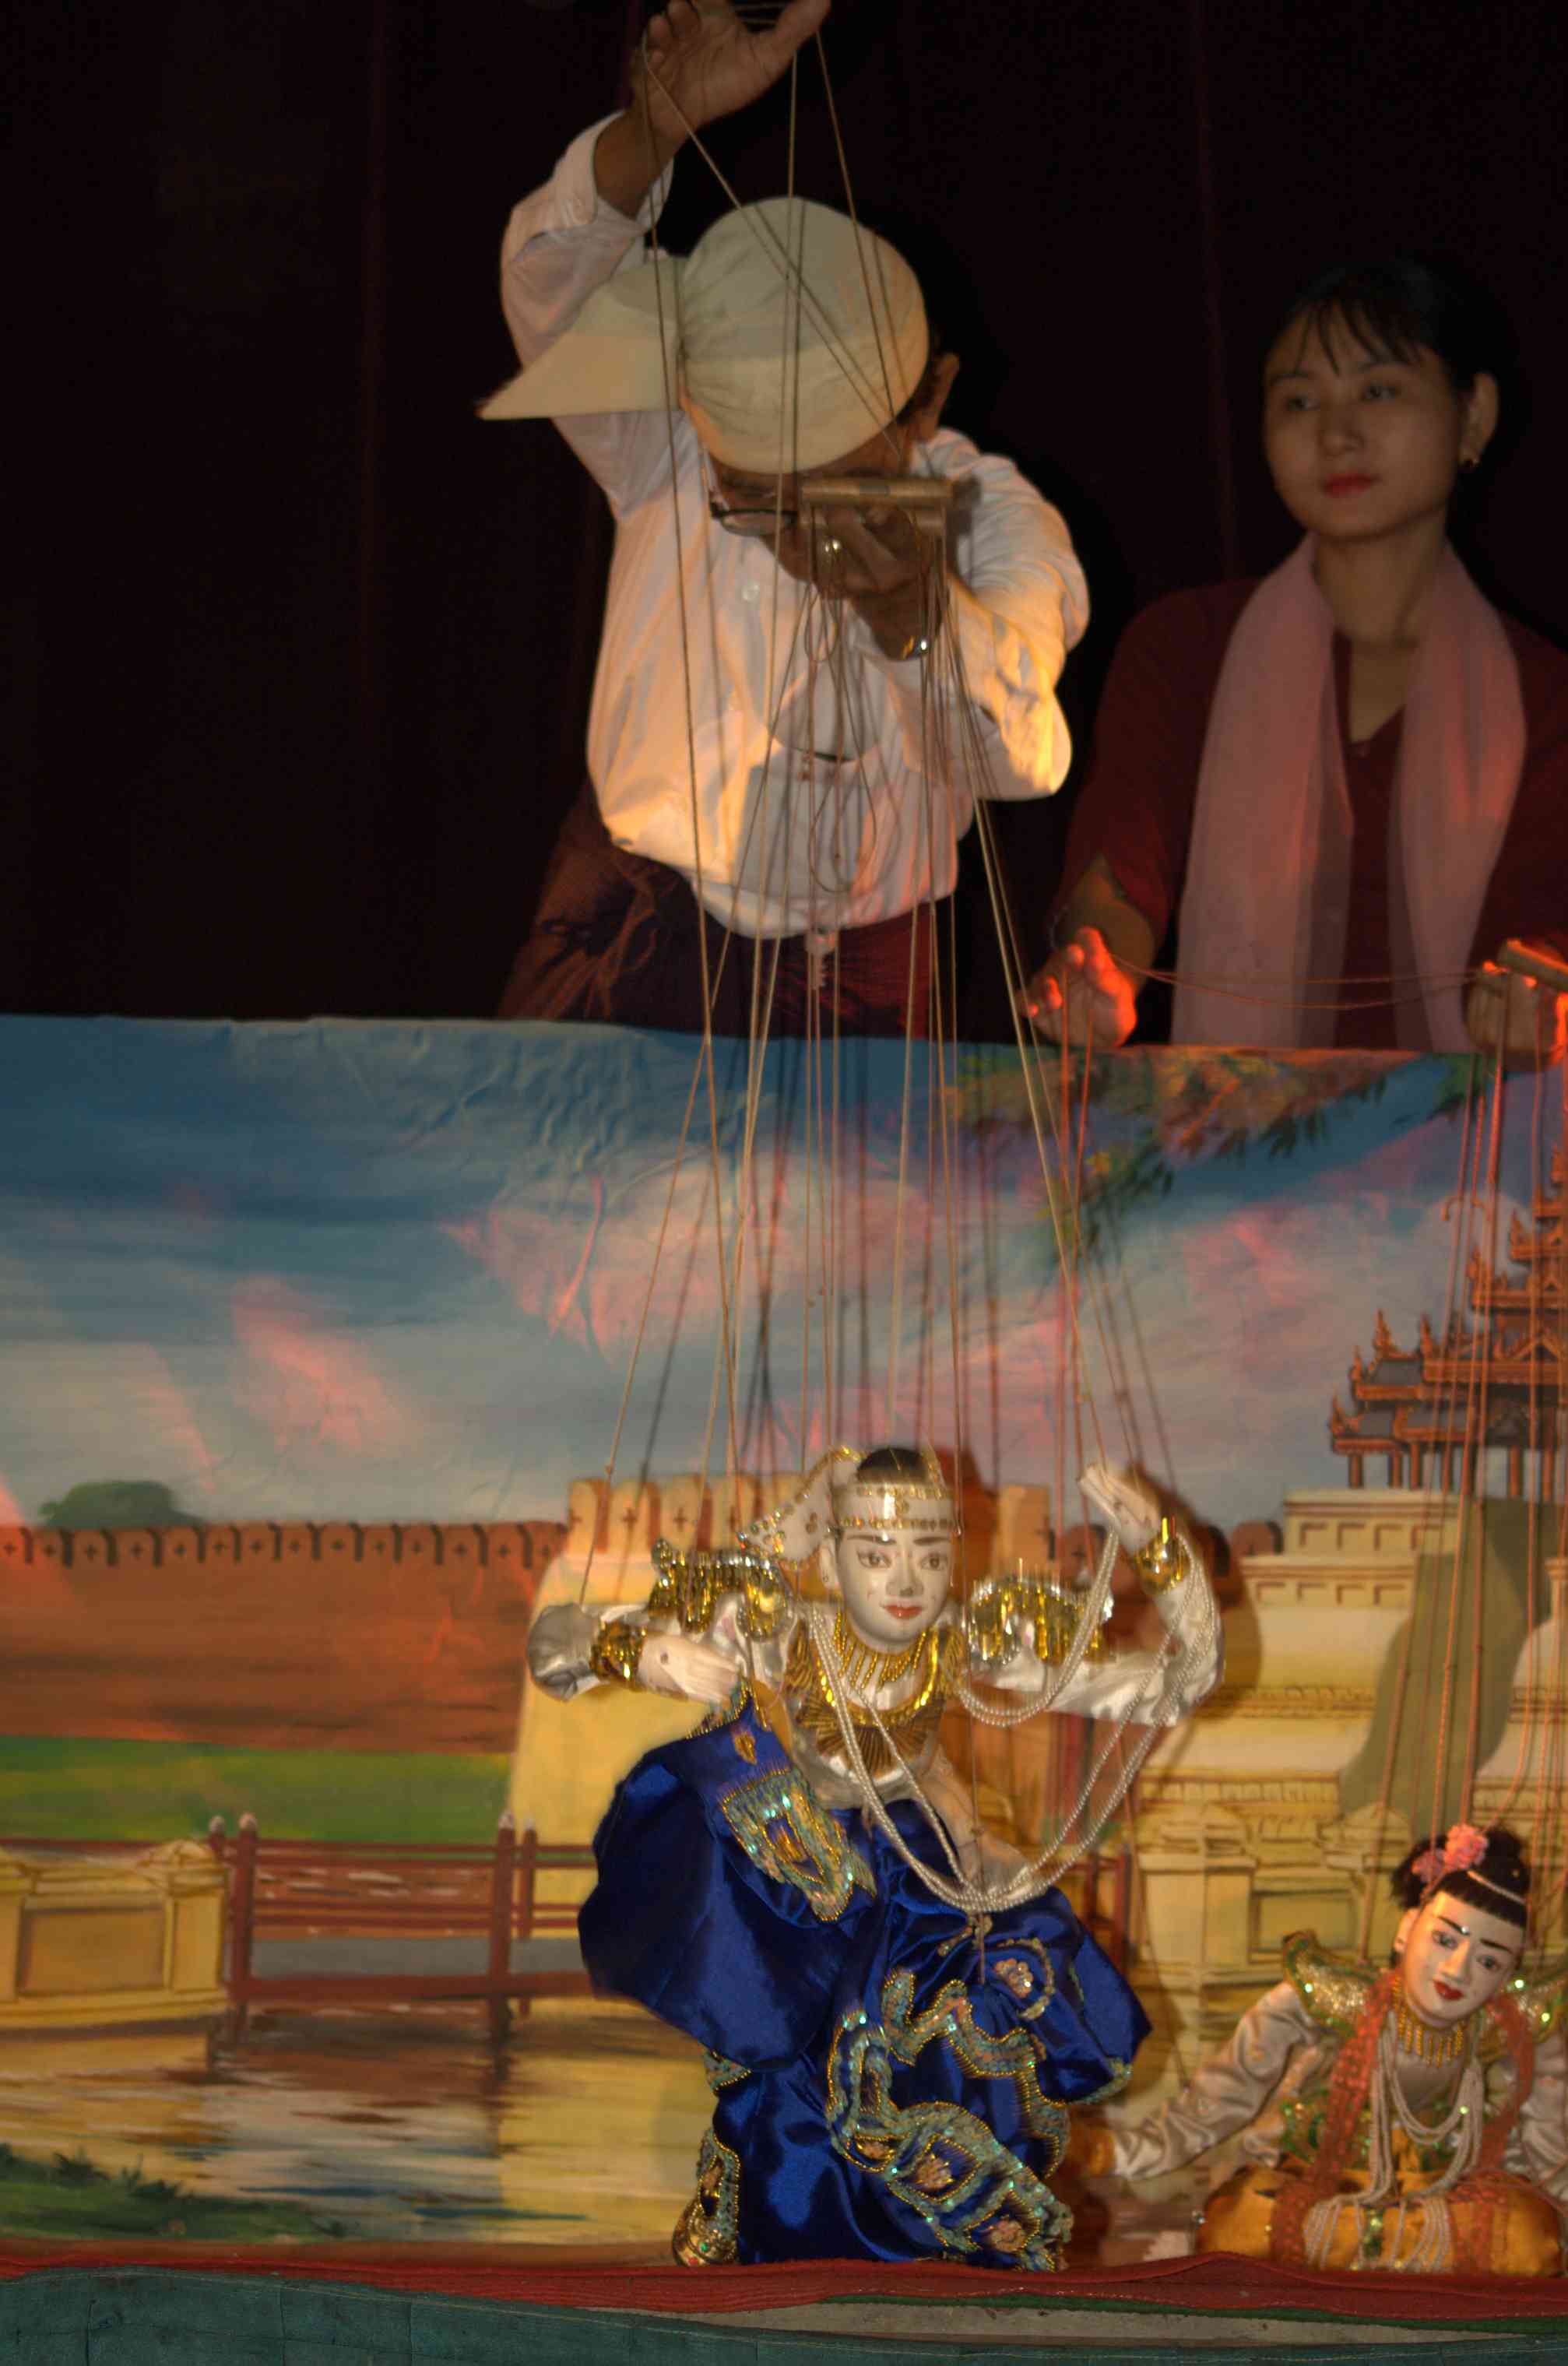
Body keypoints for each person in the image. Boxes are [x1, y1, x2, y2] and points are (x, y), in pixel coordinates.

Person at [487, 0, 1088, 1037]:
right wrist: (653, 130)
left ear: (926, 402)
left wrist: (909, 616)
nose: (788, 520)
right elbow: (552, 286)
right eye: (752, 489)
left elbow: (1018, 759)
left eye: (827, 475)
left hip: (858, 981)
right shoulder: (666, 439)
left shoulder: (990, 517)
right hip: (629, 930)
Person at [527, 1447, 1222, 2267]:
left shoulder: (966, 1642)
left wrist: (1161, 1553)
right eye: (877, 1554)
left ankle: (947, 2249)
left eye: (929, 1556)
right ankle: (790, 2253)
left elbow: (1181, 1682)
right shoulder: (781, 1632)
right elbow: (553, 1646)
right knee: (792, 2084)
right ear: (831, 1561)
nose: (905, 1581)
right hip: (810, 1890)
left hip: (929, 1878)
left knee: (964, 2045)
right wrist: (649, 1655)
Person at [1027, 255, 1568, 1058]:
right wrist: (1095, 970)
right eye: (1299, 400)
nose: (1334, 434)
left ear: (1474, 416)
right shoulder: (1184, 646)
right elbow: (1122, 868)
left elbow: (1543, 929)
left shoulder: (1542, 695)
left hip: (1467, 1128)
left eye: (1378, 391)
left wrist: (1534, 999)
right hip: (1229, 1121)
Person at [1095, 1823, 1568, 2276]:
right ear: (1407, 1929)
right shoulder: (1331, 1998)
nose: (1458, 1970)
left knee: (1527, 2242)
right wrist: (1119, 2152)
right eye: (1445, 1939)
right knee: (1238, 2231)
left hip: (1442, 2189)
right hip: (1317, 2185)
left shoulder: (1508, 2031)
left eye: (1489, 1961)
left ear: (1506, 1976)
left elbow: (1550, 2158)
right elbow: (1219, 2098)